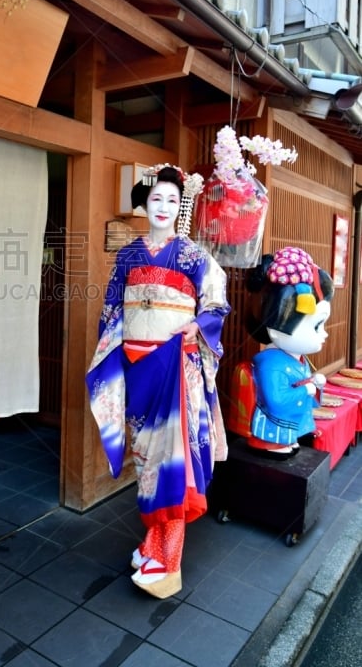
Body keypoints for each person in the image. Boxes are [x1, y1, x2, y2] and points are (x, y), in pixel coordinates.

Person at [86, 164, 230, 599]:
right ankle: (151, 542)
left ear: (178, 207)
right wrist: (113, 350)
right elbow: (112, 309)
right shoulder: (129, 256)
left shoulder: (192, 255)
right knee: (146, 460)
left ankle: (167, 561)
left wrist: (197, 327)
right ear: (144, 206)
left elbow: (216, 303)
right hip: (136, 367)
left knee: (173, 461)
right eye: (155, 200)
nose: (163, 207)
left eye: (171, 200)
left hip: (174, 366)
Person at [245, 247, 334, 457]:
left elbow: (301, 386)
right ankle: (271, 443)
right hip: (272, 427)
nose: (324, 334)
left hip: (290, 425)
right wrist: (307, 390)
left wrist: (314, 383)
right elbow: (276, 401)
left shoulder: (297, 358)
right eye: (316, 326)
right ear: (279, 322)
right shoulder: (271, 364)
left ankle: (289, 439)